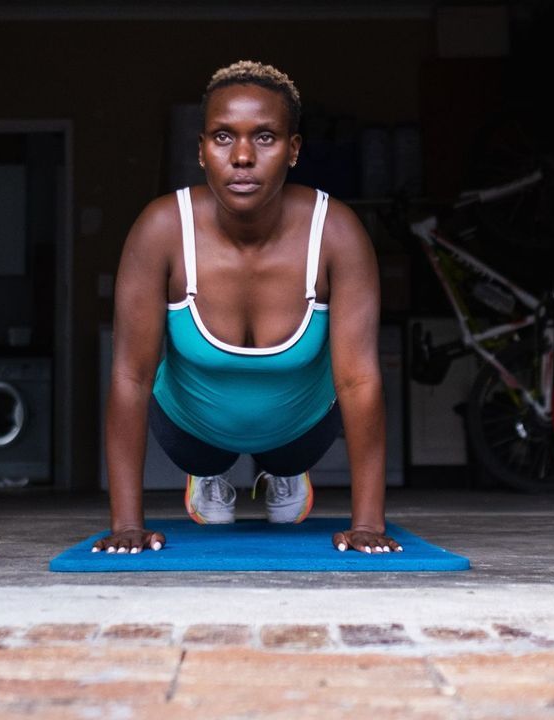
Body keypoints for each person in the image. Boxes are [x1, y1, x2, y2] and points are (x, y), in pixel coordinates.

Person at [95, 60, 400, 555]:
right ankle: (209, 476)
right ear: (200, 150)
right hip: (192, 433)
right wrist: (127, 522)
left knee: (287, 453)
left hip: (300, 433)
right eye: (222, 137)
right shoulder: (161, 229)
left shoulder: (336, 232)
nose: (241, 156)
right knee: (199, 448)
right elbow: (130, 377)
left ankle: (284, 473)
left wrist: (367, 522)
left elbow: (359, 381)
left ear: (293, 150)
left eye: (264, 137)